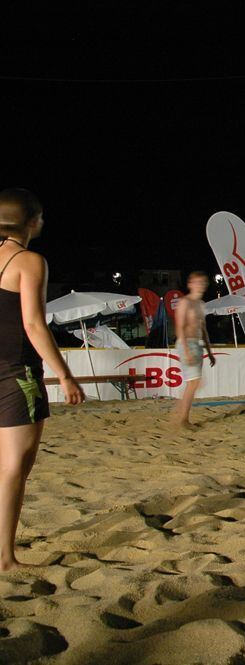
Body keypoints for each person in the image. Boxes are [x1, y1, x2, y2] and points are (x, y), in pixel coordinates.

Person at [0, 188, 84, 571]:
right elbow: (34, 325)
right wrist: (65, 376)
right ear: (31, 222)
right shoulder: (29, 261)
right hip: (16, 374)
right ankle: (5, 557)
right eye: (42, 217)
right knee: (15, 465)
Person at [171, 272, 216, 428]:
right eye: (196, 282)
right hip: (187, 344)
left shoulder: (201, 304)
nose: (200, 285)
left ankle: (180, 413)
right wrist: (186, 351)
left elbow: (203, 329)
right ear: (190, 284)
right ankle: (183, 419)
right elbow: (179, 327)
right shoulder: (185, 302)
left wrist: (210, 352)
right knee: (194, 382)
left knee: (195, 383)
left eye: (202, 282)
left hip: (197, 344)